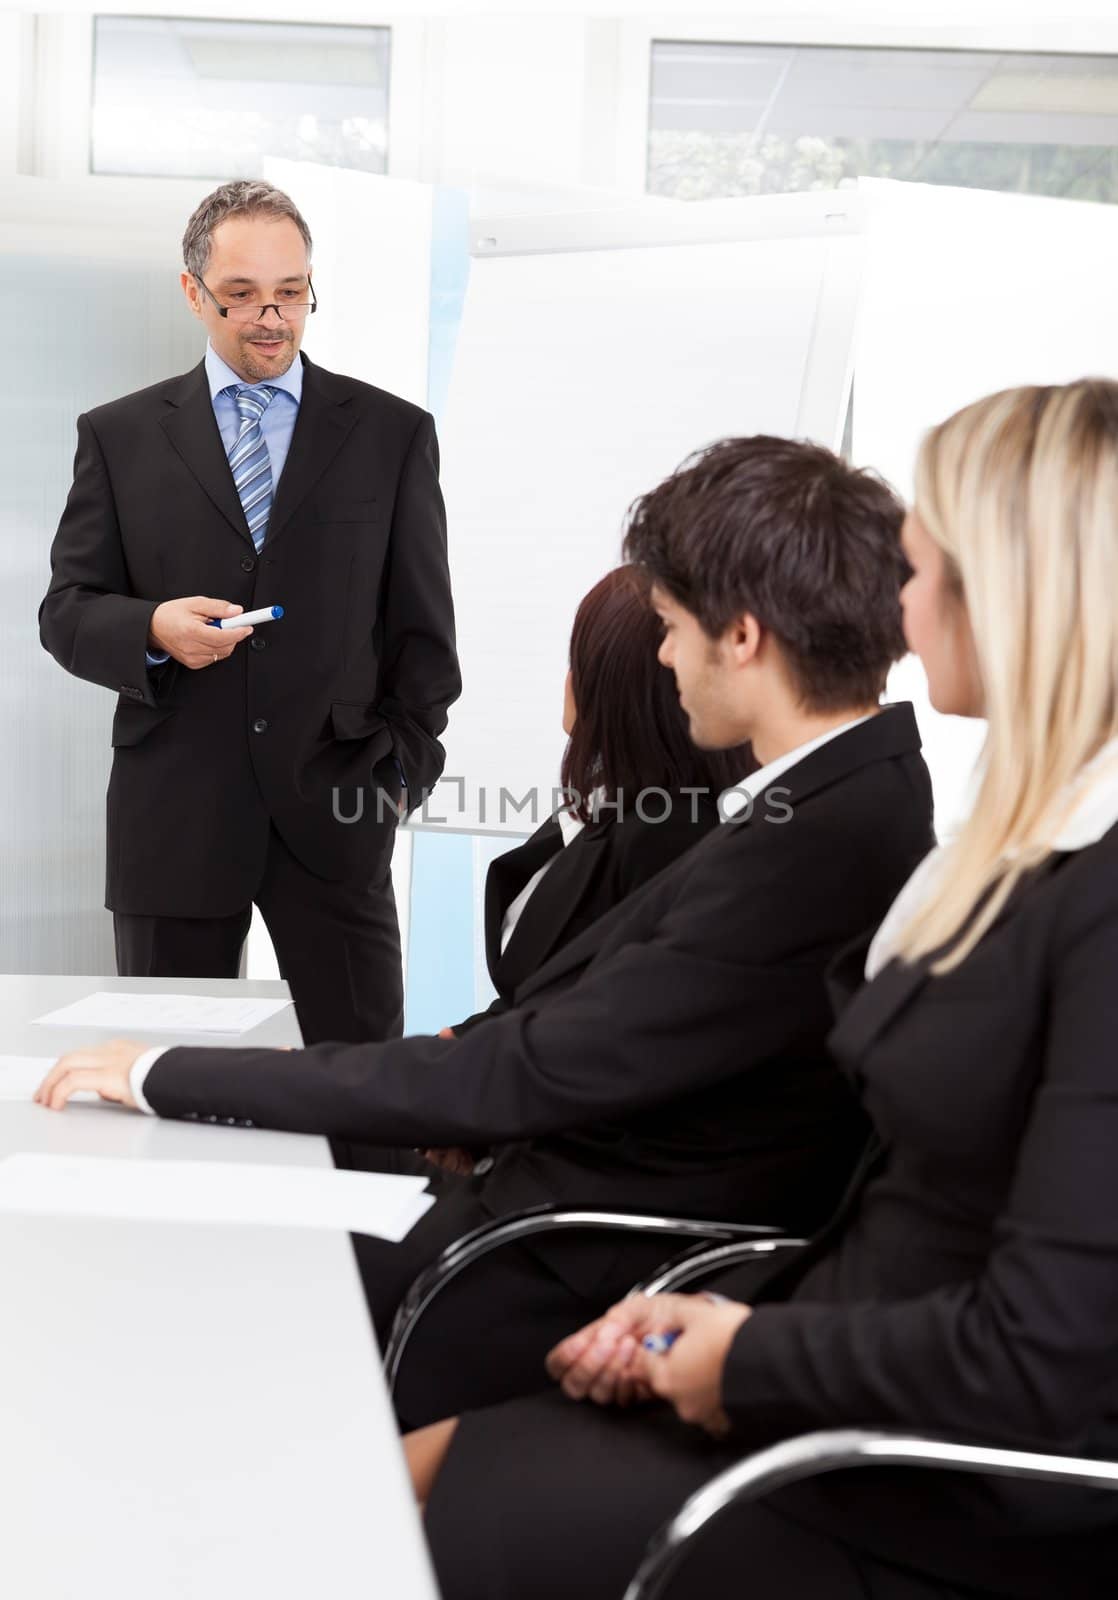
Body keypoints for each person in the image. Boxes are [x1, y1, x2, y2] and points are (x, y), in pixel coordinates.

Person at [38, 434, 934, 1430]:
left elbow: (527, 1067)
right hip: (543, 1208)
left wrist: (169, 1074)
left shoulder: (812, 838)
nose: (664, 653)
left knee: (184, 1284)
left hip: (557, 1255)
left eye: (673, 625)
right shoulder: (831, 799)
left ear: (743, 636)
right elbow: (556, 1033)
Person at [406, 379, 1118, 1600]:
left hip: (926, 1486)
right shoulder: (1013, 845)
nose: (895, 606)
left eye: (922, 567)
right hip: (838, 1383)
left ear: (1020, 587)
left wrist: (743, 1351)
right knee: (407, 1473)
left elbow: (1037, 1345)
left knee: (404, 1507)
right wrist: (704, 1319)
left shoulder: (1084, 897)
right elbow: (892, 1212)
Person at [38, 180, 460, 1048]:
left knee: (366, 1094)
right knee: (165, 1086)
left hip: (339, 813)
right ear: (194, 292)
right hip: (176, 818)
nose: (271, 318)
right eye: (241, 296)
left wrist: (394, 782)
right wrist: (153, 630)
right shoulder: (118, 436)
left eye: (291, 294)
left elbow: (426, 641)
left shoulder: (392, 434)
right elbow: (67, 610)